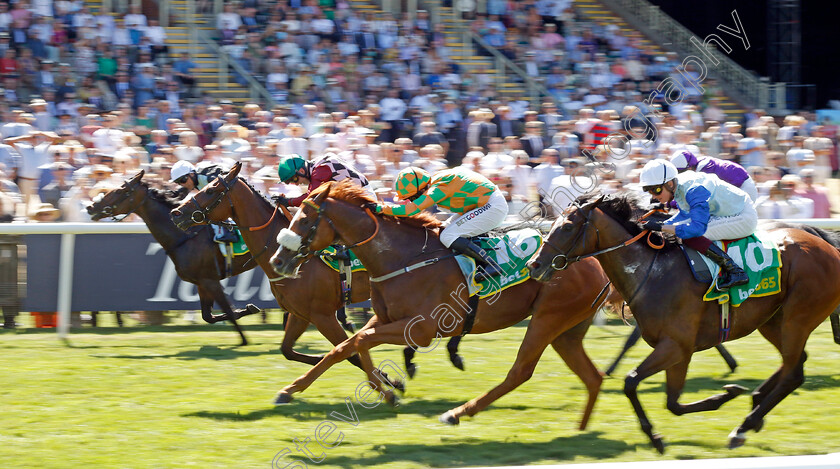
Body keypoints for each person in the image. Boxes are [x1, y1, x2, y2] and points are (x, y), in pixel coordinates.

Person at [640, 159, 756, 291]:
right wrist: (663, 224)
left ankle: (735, 271)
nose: (654, 196)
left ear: (670, 184)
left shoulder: (693, 190)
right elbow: (685, 215)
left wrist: (661, 227)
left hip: (743, 216)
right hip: (727, 212)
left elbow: (697, 229)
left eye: (656, 190)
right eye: (650, 192)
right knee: (679, 230)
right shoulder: (679, 186)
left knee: (690, 235)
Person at [373, 167, 509, 277]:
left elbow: (411, 210)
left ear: (422, 189)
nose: (413, 200)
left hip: (492, 205)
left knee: (448, 236)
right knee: (443, 231)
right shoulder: (433, 181)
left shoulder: (438, 187)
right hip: (483, 203)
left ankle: (490, 265)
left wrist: (379, 208)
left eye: (413, 197)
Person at [169, 160, 238, 243]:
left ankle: (230, 232)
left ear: (192, 174)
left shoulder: (209, 177)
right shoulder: (191, 180)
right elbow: (176, 195)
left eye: (183, 180)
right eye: (178, 182)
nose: (182, 184)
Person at [274, 153, 373, 207]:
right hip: (354, 196)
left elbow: (311, 198)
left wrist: (288, 202)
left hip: (364, 197)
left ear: (301, 171)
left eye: (294, 179)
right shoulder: (317, 165)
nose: (295, 184)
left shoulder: (319, 171)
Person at [669, 150, 758, 202]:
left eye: (681, 171)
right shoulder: (698, 165)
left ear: (690, 167)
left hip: (744, 188)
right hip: (739, 186)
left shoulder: (704, 170)